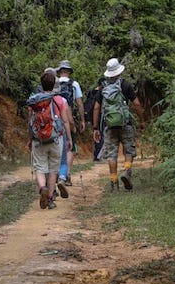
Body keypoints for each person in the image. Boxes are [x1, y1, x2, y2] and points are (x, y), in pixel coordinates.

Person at [92, 58, 143, 190]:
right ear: (119, 71)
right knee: (128, 149)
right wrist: (142, 120)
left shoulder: (103, 86)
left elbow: (96, 108)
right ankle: (126, 171)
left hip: (109, 125)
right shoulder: (125, 85)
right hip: (125, 123)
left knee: (111, 154)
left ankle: (114, 182)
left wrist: (95, 127)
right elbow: (137, 104)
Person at [27, 68, 73, 209]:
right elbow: (65, 121)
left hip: (39, 140)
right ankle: (51, 199)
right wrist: (69, 139)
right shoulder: (59, 100)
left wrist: (30, 139)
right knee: (53, 170)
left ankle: (42, 188)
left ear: (41, 84)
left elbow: (30, 122)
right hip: (56, 139)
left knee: (40, 168)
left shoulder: (35, 101)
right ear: (54, 84)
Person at [55, 60, 84, 188]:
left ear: (60, 71)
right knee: (70, 147)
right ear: (69, 72)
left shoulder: (54, 83)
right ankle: (67, 175)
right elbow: (79, 103)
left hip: (54, 119)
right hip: (69, 119)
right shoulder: (74, 84)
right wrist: (82, 119)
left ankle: (57, 174)